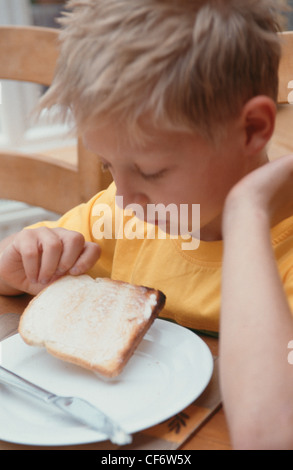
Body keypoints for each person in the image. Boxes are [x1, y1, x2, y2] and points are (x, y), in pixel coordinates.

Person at [0, 0, 292, 448]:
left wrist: (247, 210)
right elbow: (10, 275)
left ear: (252, 128)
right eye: (108, 165)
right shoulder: (120, 216)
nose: (124, 199)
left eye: (152, 172)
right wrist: (18, 260)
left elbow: (270, 435)